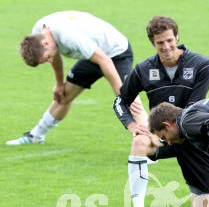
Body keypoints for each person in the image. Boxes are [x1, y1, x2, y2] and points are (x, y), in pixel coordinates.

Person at [113, 15, 209, 207]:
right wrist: (133, 126)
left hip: (192, 138)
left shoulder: (201, 64)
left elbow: (193, 108)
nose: (167, 46)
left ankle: (197, 194)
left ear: (177, 36)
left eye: (170, 40)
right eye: (160, 43)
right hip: (161, 136)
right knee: (139, 142)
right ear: (153, 42)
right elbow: (120, 101)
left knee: (203, 205)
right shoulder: (143, 69)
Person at [6, 11, 146, 146]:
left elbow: (105, 61)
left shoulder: (68, 36)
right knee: (63, 95)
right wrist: (60, 84)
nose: (49, 60)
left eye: (47, 58)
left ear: (45, 44)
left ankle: (151, 147)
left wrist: (123, 95)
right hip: (93, 54)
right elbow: (55, 56)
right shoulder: (38, 34)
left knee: (131, 102)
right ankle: (36, 136)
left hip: (116, 52)